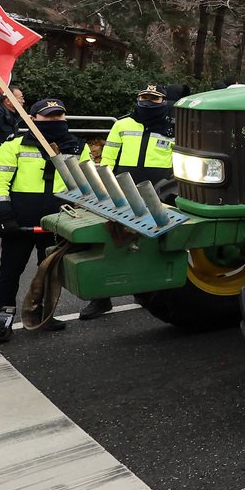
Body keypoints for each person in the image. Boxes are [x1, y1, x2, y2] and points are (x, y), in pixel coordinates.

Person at [0, 98, 91, 321]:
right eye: (48, 116)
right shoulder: (13, 146)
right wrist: (4, 215)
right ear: (33, 119)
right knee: (9, 272)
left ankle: (44, 316)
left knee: (49, 274)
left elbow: (85, 186)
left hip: (58, 222)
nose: (54, 120)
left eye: (58, 115)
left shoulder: (78, 147)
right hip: (19, 223)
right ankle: (0, 319)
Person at [82, 85, 176, 320]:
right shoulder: (122, 124)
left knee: (152, 242)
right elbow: (108, 158)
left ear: (164, 100)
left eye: (153, 98)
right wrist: (105, 183)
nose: (147, 101)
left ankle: (144, 291)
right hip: (123, 189)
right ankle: (101, 298)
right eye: (144, 97)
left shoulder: (173, 128)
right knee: (111, 241)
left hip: (158, 193)